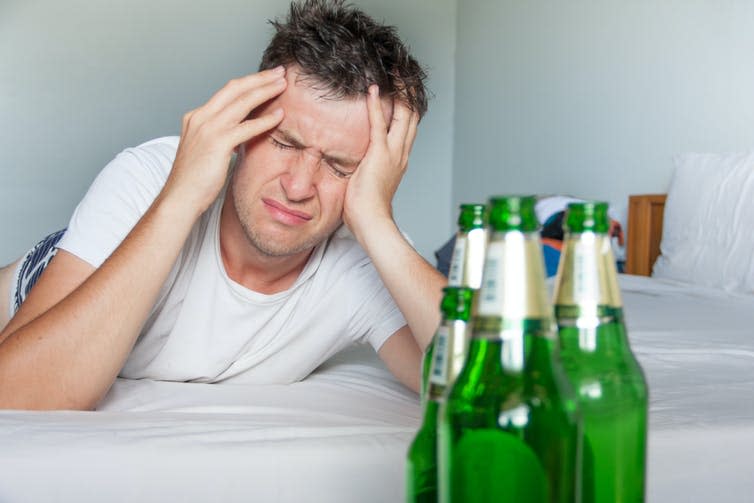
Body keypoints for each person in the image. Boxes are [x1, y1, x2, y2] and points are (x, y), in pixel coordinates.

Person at [0, 0, 446, 410]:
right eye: (284, 142)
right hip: (37, 281)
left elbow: (489, 383)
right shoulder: (151, 177)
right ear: (245, 126)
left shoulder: (368, 257)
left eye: (339, 166)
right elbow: (15, 389)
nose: (297, 186)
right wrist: (180, 199)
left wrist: (377, 223)